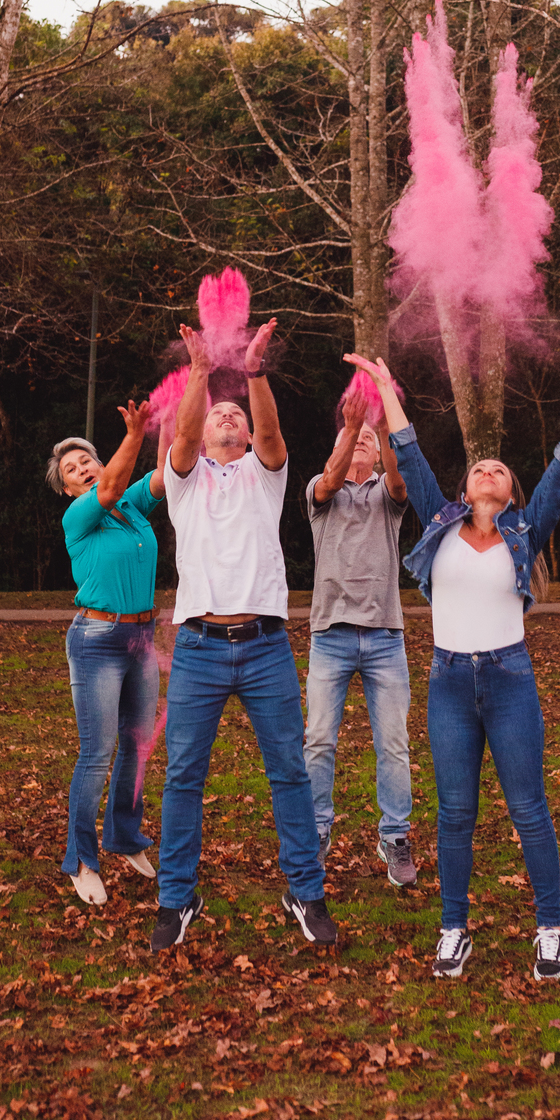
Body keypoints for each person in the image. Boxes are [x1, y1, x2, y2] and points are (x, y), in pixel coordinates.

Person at [345, 353, 560, 983]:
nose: (488, 471)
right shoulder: (439, 521)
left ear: (509, 493)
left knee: (529, 809)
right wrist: (382, 385)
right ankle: (453, 929)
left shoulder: (525, 530)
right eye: (479, 468)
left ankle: (548, 930)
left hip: (510, 681)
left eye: (500, 469)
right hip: (450, 682)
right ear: (464, 490)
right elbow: (409, 449)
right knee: (455, 813)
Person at [153, 318, 336, 951]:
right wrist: (201, 375)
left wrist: (253, 375)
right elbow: (178, 436)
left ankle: (305, 893)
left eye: (236, 413)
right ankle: (176, 899)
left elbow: (273, 434)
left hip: (264, 649)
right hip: (201, 649)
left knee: (289, 771)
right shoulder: (184, 479)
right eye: (218, 413)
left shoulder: (266, 475)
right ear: (203, 431)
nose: (229, 418)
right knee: (183, 777)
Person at [47, 400, 170, 907]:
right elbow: (115, 483)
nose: (83, 468)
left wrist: (168, 422)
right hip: (96, 642)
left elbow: (164, 475)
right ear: (72, 488)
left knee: (137, 745)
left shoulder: (132, 507)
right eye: (73, 469)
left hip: (141, 639)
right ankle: (80, 859)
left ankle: (123, 836)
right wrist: (135, 433)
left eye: (86, 460)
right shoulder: (80, 515)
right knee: (97, 753)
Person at [304, 382, 413, 886]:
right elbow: (328, 479)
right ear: (341, 442)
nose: (364, 440)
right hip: (330, 636)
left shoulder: (388, 497)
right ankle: (316, 832)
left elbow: (397, 479)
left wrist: (385, 428)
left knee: (393, 744)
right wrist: (351, 428)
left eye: (370, 437)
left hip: (385, 638)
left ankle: (395, 836)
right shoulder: (318, 493)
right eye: (356, 436)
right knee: (319, 740)